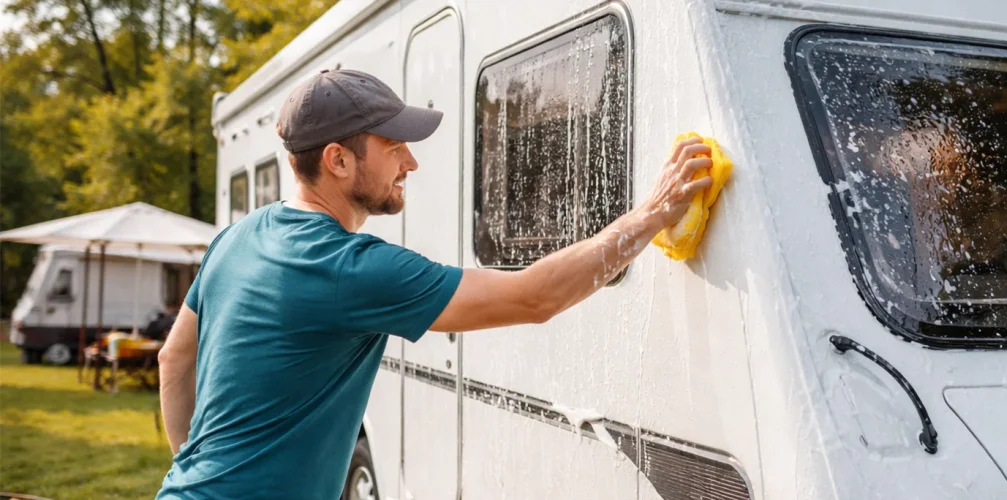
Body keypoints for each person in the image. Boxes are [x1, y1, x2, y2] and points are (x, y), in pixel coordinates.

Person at [155, 68, 713, 499]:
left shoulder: (236, 238)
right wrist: (652, 214)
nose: (411, 162)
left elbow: (173, 361)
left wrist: (194, 468)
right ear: (338, 161)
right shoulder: (349, 267)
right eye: (393, 146)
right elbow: (534, 296)